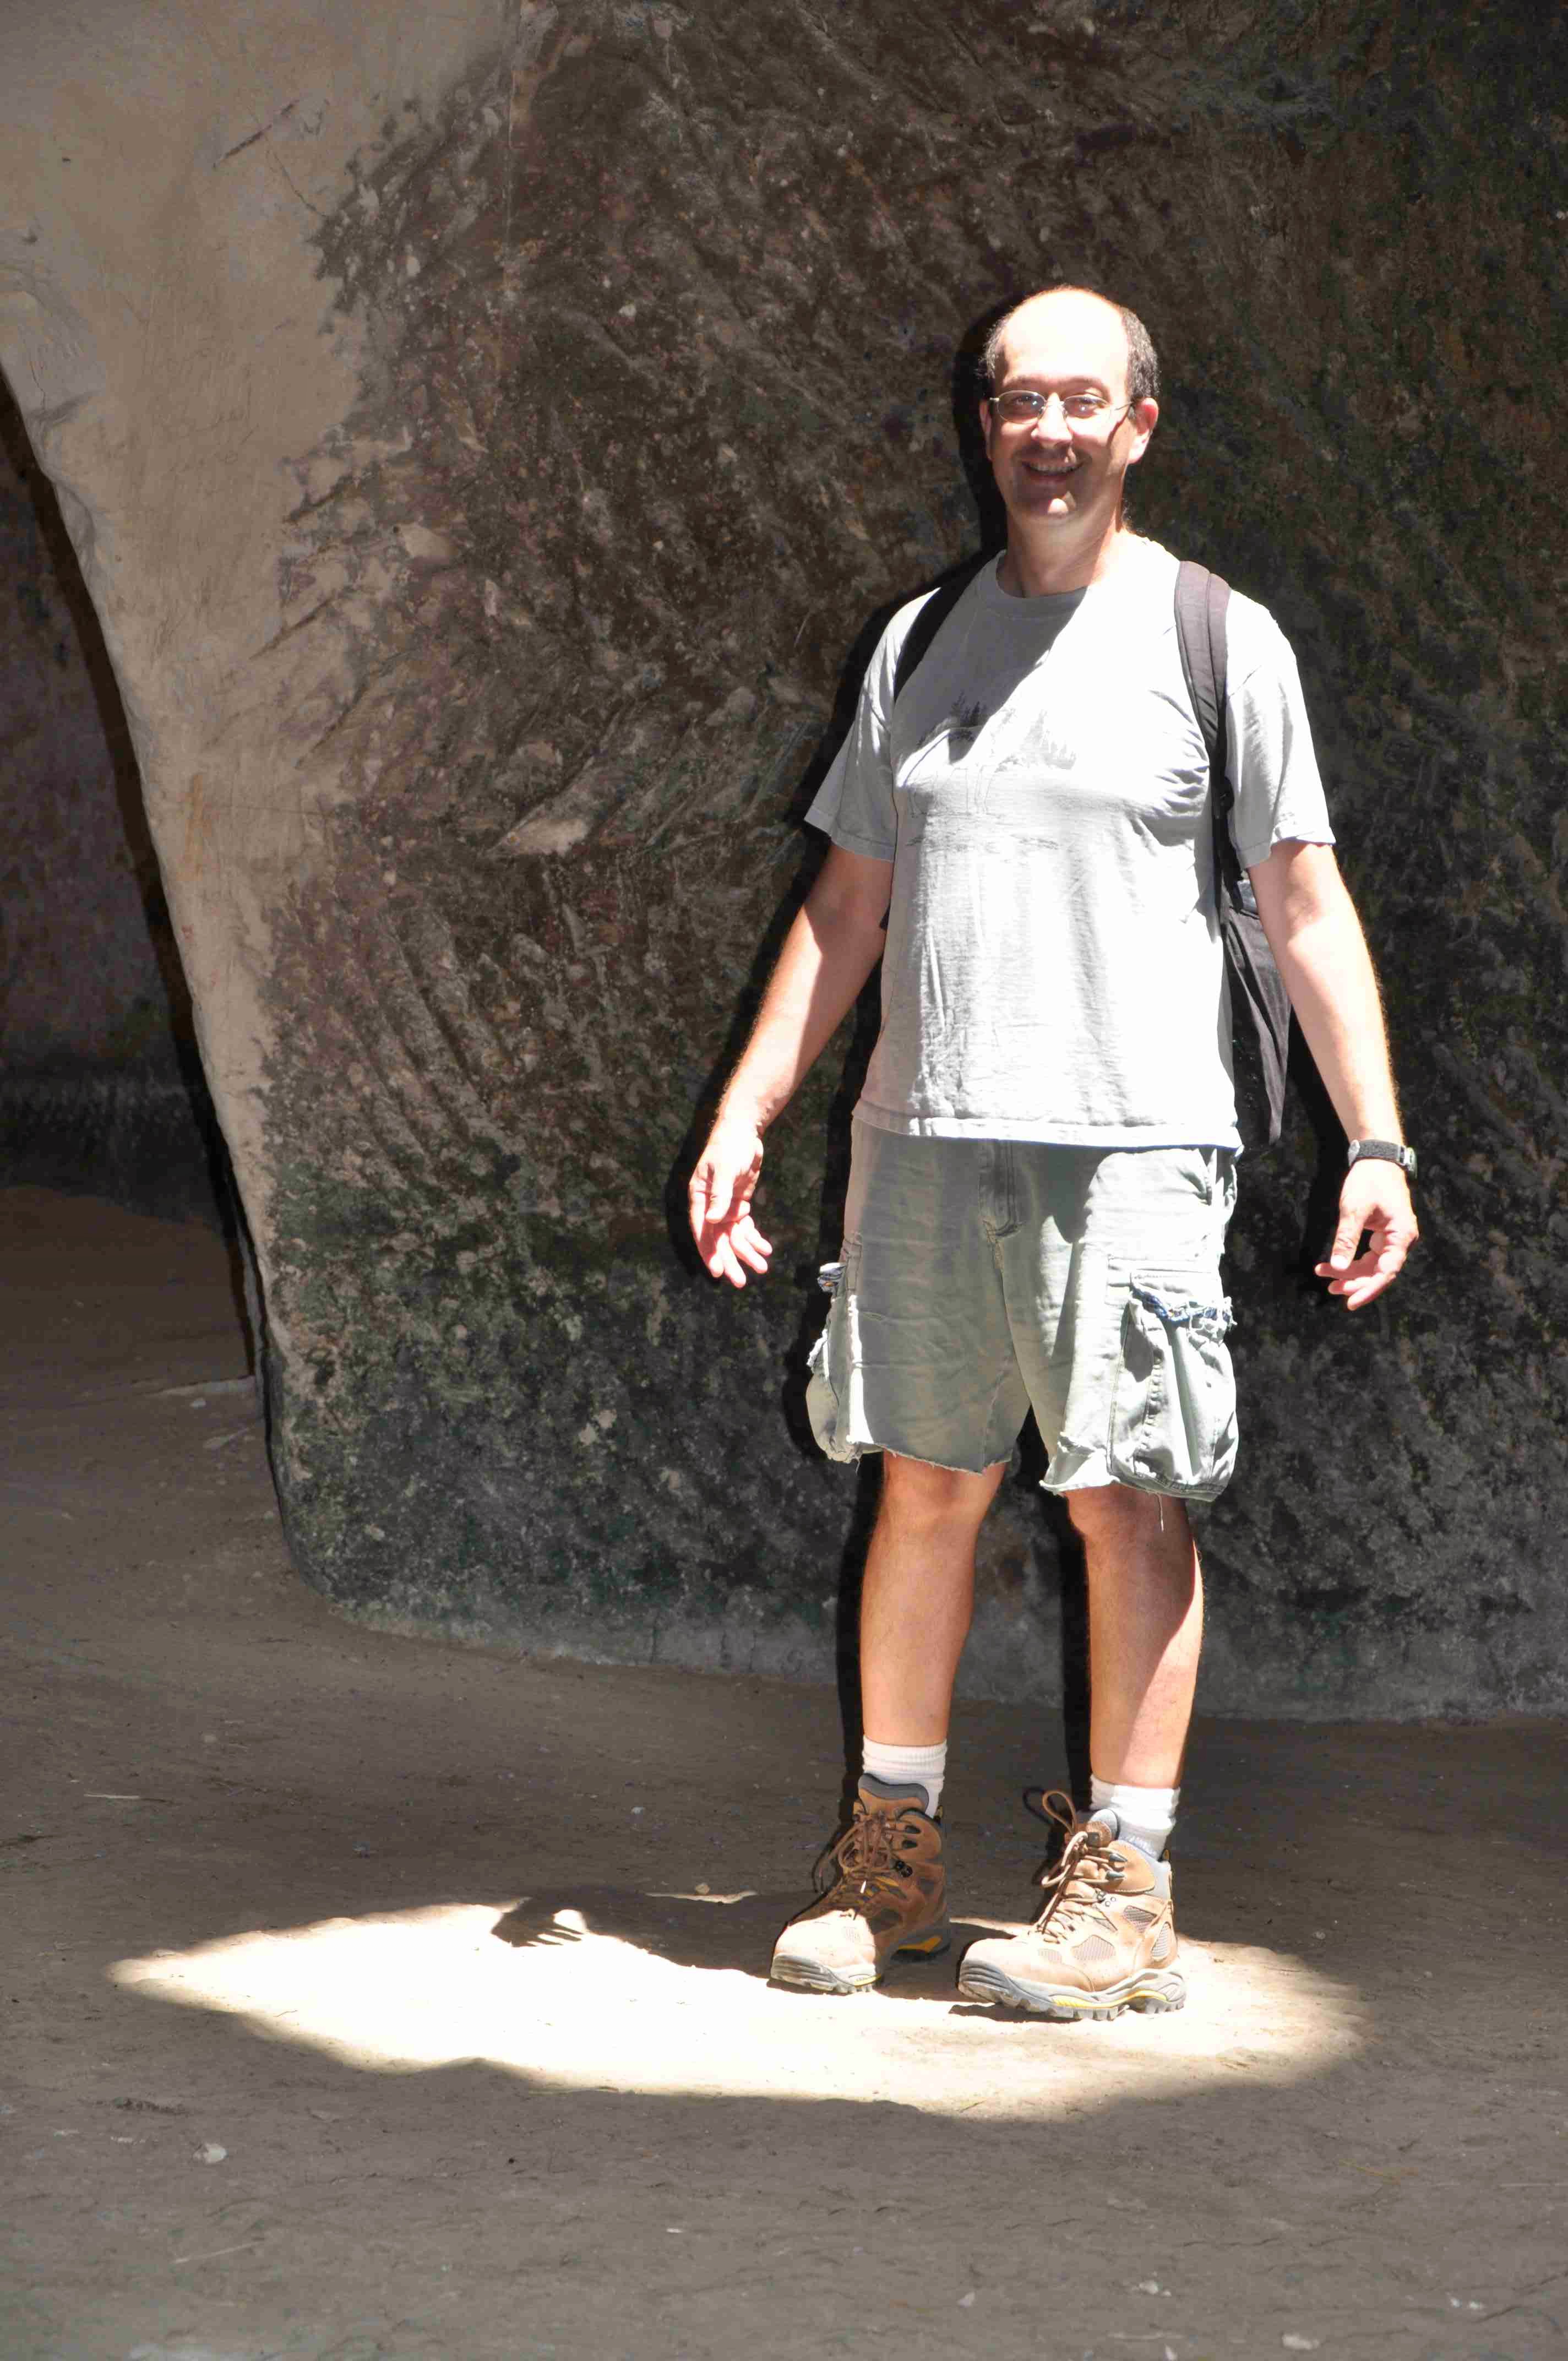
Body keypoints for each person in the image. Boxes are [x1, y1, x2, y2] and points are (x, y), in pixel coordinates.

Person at [687, 284, 1417, 2019]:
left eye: (1083, 400)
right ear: (987, 425)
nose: (1049, 430)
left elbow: (1306, 908)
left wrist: (1376, 1142)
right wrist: (749, 1107)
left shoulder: (1216, 639)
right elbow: (848, 904)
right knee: (922, 1485)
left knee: (1125, 1497)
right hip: (926, 1133)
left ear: (1139, 425)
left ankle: (1128, 1891)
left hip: (1137, 1146)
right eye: (1020, 400)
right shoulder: (921, 643)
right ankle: (889, 1859)